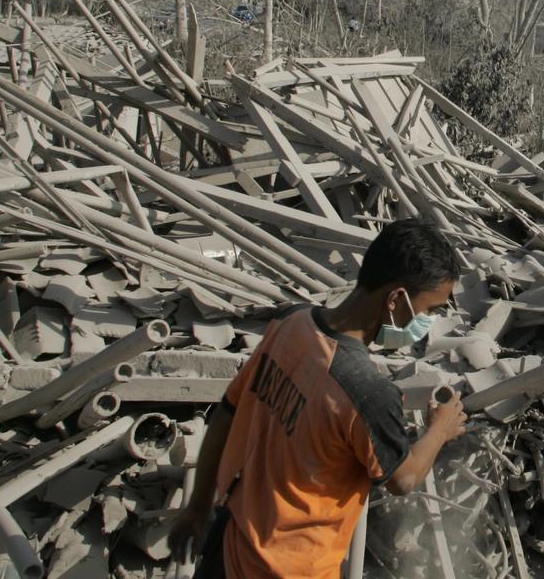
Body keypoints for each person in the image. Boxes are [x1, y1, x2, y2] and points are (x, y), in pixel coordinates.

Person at [168, 219, 467, 578]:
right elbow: (403, 479)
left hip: (229, 547)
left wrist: (199, 505)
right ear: (395, 300)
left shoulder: (291, 323)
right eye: (430, 310)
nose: (428, 322)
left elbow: (227, 412)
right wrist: (440, 430)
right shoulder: (366, 391)